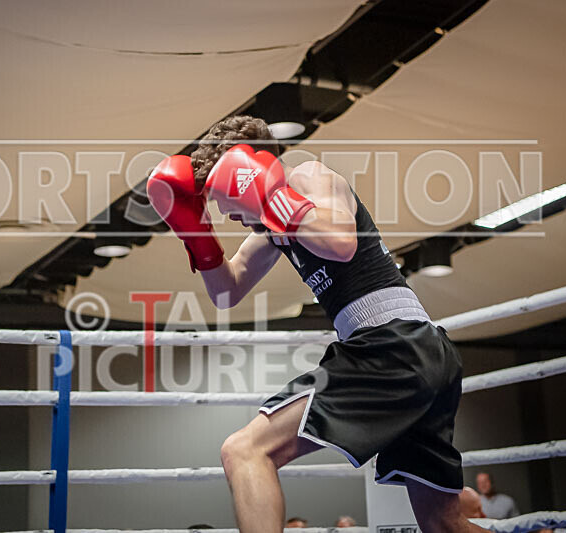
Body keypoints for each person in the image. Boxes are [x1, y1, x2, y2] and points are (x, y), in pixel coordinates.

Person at [147, 115, 489, 533]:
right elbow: (226, 291)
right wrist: (196, 233)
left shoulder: (310, 176)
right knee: (444, 524)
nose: (229, 215)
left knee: (244, 451)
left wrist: (269, 200)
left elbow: (342, 243)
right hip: (418, 352)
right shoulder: (274, 225)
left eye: (226, 200)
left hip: (390, 346)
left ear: (247, 173)